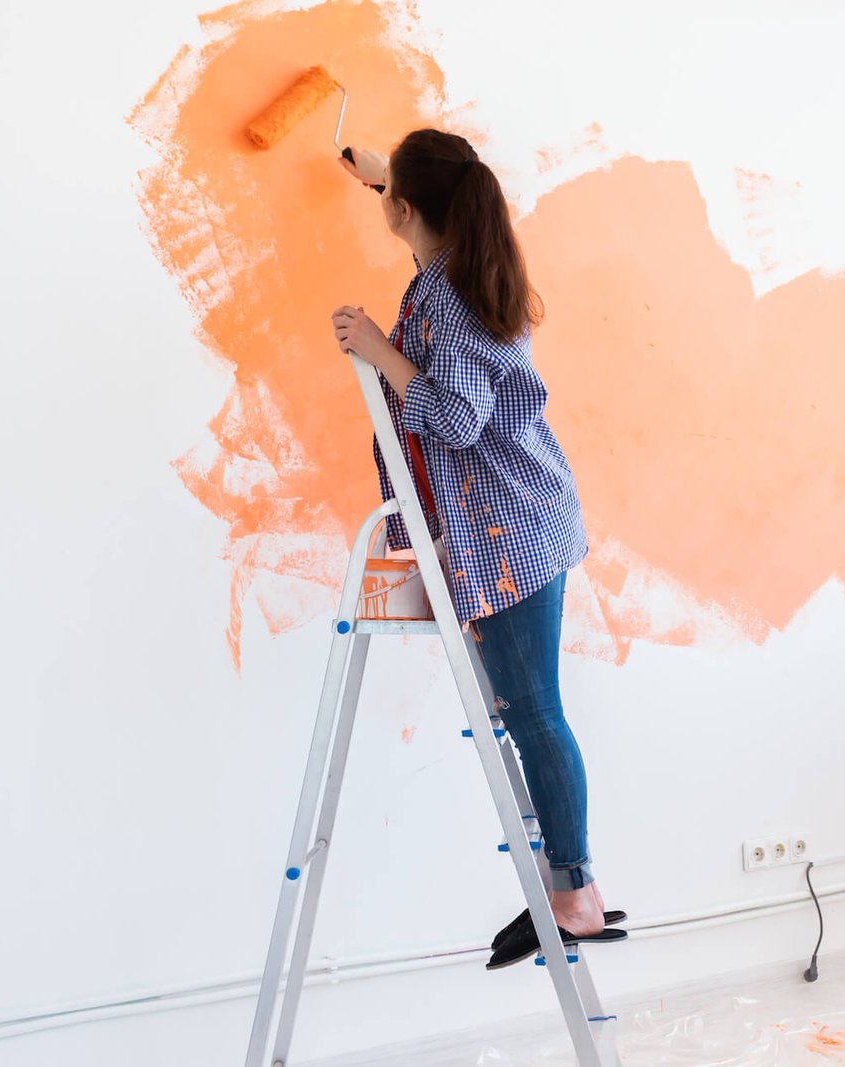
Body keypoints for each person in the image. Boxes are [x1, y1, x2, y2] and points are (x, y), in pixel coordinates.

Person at [331, 129, 624, 969]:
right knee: (526, 710)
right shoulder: (456, 259)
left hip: (509, 534)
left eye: (394, 194)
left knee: (535, 713)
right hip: (507, 523)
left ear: (411, 211)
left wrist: (373, 347)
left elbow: (457, 420)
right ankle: (569, 883)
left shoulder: (452, 297)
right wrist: (386, 180)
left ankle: (573, 894)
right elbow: (430, 208)